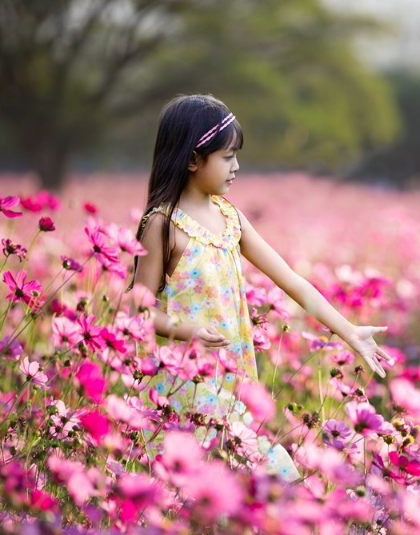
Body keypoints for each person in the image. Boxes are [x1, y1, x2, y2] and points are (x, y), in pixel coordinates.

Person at [128, 94, 393, 481]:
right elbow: (139, 310)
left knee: (245, 489)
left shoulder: (229, 217)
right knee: (245, 483)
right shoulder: (163, 225)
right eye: (227, 156)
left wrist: (349, 332)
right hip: (184, 386)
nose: (236, 167)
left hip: (232, 382)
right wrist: (187, 331)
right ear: (192, 159)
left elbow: (293, 283)